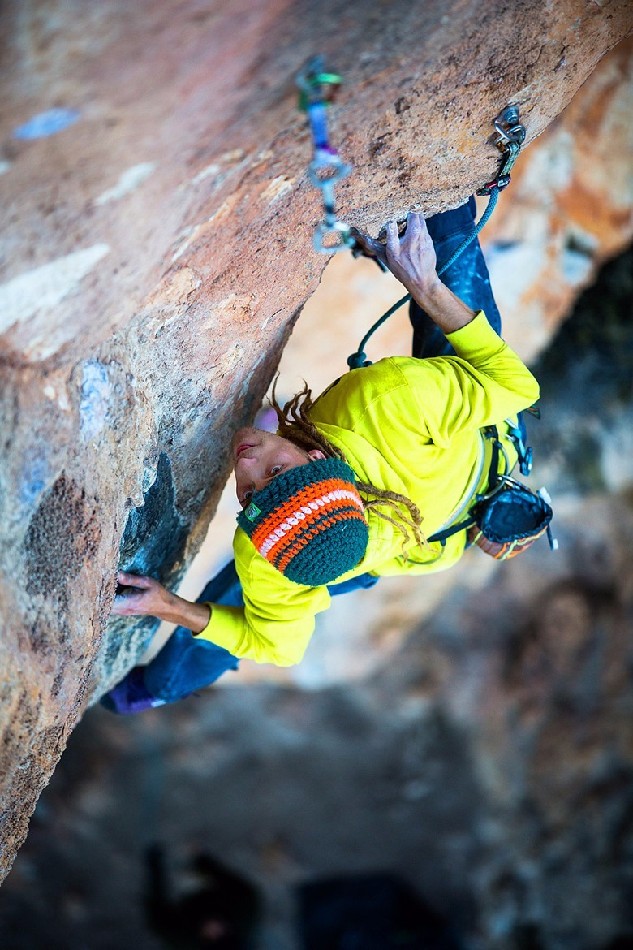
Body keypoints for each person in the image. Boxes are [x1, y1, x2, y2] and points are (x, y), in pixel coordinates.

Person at [102, 197, 539, 714]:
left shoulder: (276, 555)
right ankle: (447, 191)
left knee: (234, 594)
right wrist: (423, 286)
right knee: (444, 246)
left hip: (420, 532)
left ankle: (147, 692)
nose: (244, 465)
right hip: (453, 458)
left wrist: (166, 605)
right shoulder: (390, 402)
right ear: (315, 461)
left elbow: (279, 646)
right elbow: (514, 387)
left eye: (249, 494)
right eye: (276, 470)